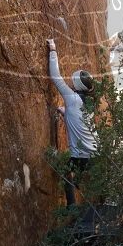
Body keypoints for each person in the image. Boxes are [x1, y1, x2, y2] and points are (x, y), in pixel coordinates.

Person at [46, 38, 97, 207]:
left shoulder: (73, 99)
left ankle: (72, 207)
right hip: (95, 153)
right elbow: (78, 120)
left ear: (75, 85)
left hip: (83, 156)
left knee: (66, 173)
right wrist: (64, 112)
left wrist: (53, 50)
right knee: (88, 184)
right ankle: (80, 187)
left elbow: (55, 76)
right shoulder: (87, 103)